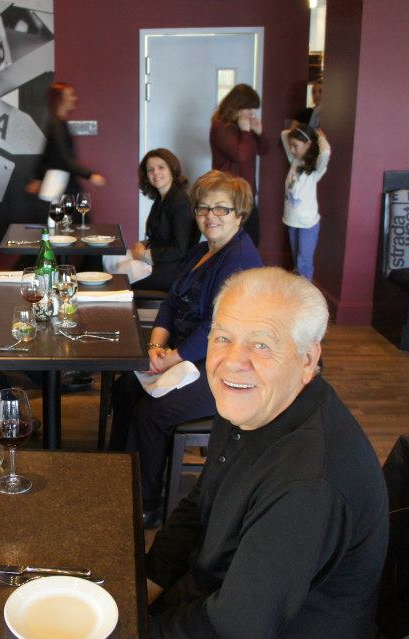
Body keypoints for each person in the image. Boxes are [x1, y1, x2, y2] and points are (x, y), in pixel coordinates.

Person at [145, 267, 389, 638]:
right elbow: (200, 505)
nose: (232, 361)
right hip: (212, 596)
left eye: (261, 345)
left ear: (307, 359)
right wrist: (147, 581)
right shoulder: (251, 403)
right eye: (222, 337)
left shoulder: (307, 485)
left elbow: (236, 627)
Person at [110, 170, 263, 523]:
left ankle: (145, 503)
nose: (210, 216)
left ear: (239, 213)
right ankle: (118, 476)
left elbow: (217, 326)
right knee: (125, 389)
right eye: (203, 208)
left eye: (221, 208)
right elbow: (170, 302)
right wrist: (156, 345)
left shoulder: (240, 259)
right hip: (184, 356)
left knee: (152, 413)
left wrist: (171, 358)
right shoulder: (201, 251)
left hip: (224, 368)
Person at [105, 149, 199, 290]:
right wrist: (142, 244)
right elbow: (159, 236)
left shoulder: (180, 202)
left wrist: (144, 254)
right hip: (156, 259)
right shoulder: (161, 198)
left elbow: (180, 249)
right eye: (150, 170)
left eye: (161, 167)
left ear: (172, 169)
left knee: (116, 274)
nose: (155, 173)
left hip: (171, 269)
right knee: (109, 256)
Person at [29, 81, 106, 213]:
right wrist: (90, 175)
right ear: (60, 100)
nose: (73, 98)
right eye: (70, 95)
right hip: (62, 185)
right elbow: (63, 159)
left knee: (65, 220)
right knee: (71, 220)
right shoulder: (57, 126)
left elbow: (46, 155)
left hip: (62, 185)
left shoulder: (56, 124)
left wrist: (38, 177)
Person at [209, 84, 269, 246]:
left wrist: (259, 133)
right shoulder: (221, 127)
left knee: (252, 239)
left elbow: (264, 150)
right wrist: (246, 132)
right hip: (228, 193)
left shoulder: (244, 128)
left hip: (247, 191)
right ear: (237, 106)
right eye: (249, 108)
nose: (252, 113)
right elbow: (240, 156)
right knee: (231, 242)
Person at [282, 124, 331, 280]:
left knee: (304, 263)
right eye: (291, 146)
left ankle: (305, 292)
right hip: (292, 221)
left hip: (307, 224)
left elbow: (325, 152)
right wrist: (297, 130)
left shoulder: (316, 168)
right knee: (297, 262)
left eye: (295, 146)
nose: (292, 150)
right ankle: (298, 290)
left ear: (308, 144)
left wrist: (320, 138)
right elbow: (284, 134)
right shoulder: (295, 161)